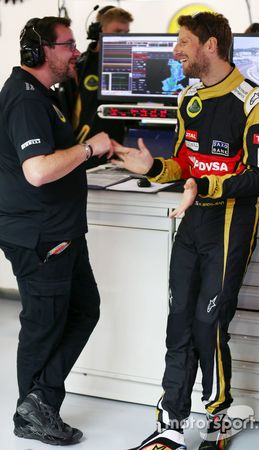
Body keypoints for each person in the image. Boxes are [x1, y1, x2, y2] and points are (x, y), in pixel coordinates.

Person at [111, 11, 259, 450]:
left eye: (183, 41)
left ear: (210, 45)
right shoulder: (188, 97)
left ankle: (218, 416)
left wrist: (199, 184)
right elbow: (183, 167)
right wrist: (152, 168)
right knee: (179, 321)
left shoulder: (257, 104)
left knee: (209, 323)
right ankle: (171, 421)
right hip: (192, 220)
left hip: (230, 222)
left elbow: (258, 180)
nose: (175, 50)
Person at [0, 16, 112, 445]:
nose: (76, 52)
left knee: (83, 309)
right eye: (68, 45)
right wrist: (88, 148)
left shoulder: (41, 95)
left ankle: (38, 401)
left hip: (58, 231)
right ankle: (33, 413)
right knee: (43, 325)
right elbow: (38, 170)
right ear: (43, 50)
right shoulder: (27, 100)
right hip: (43, 236)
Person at [57, 6, 133, 152]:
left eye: (126, 32)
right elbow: (63, 113)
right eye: (117, 32)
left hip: (117, 149)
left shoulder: (133, 65)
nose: (123, 37)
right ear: (100, 31)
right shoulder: (78, 66)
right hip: (83, 151)